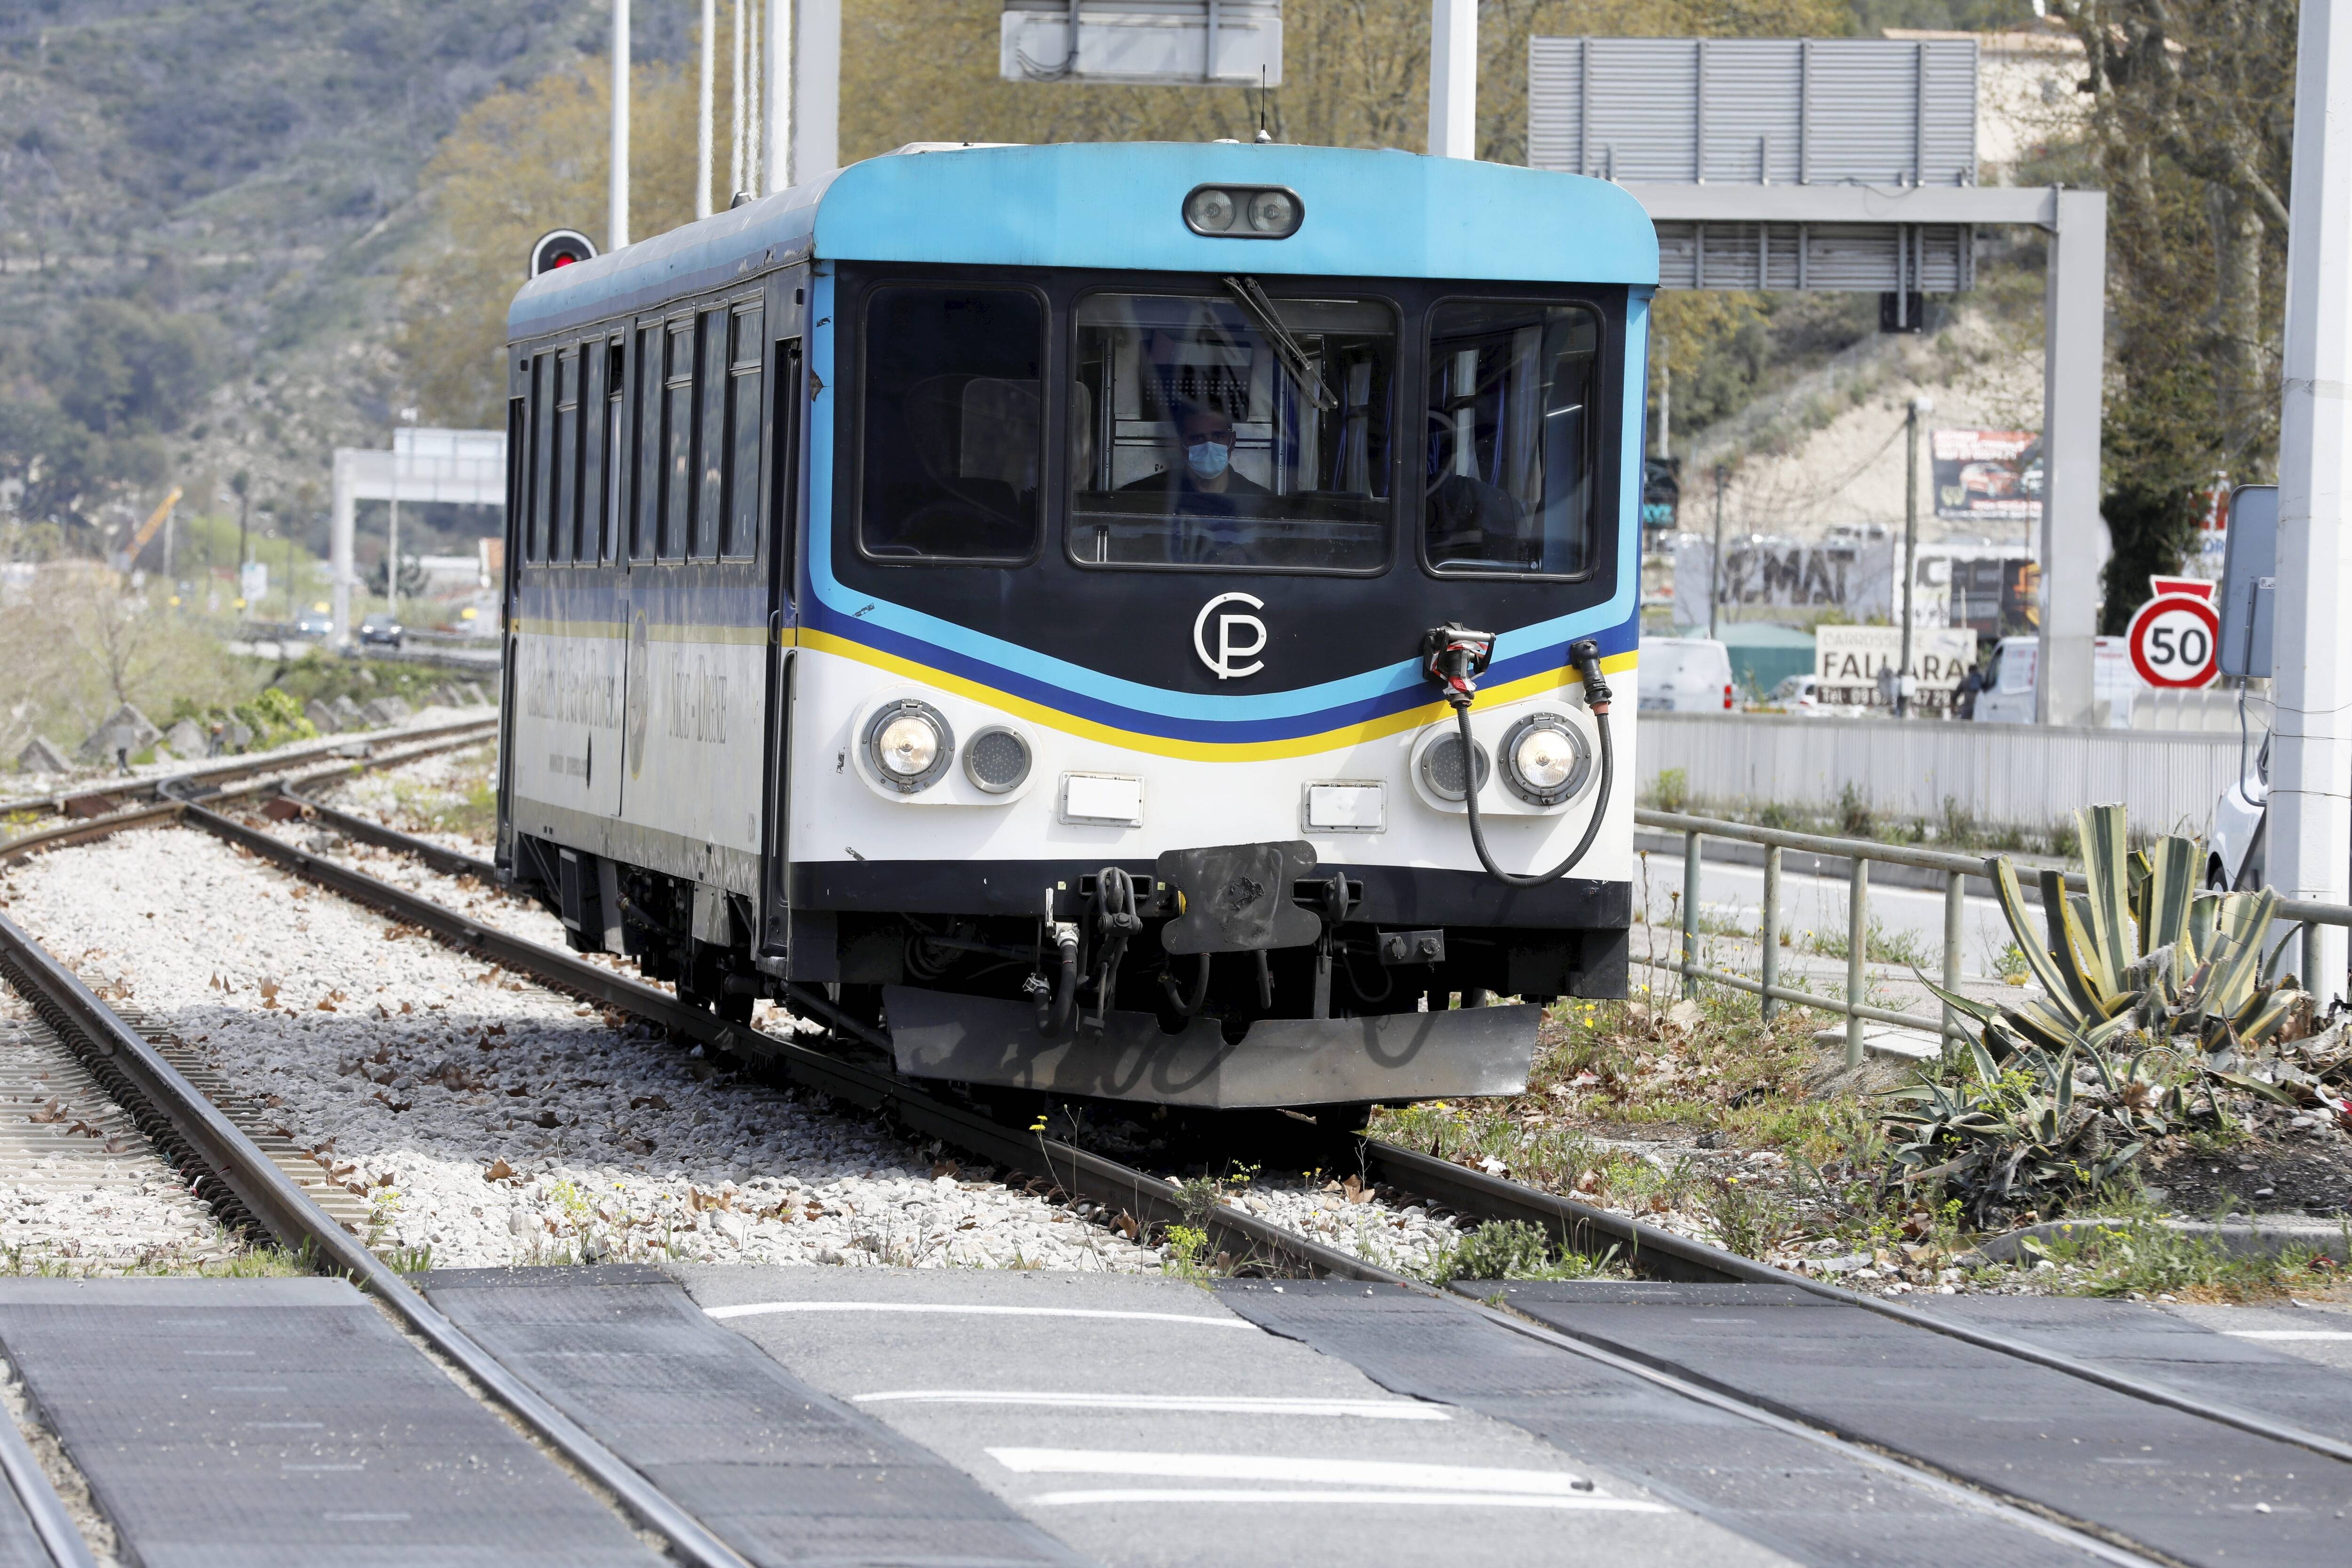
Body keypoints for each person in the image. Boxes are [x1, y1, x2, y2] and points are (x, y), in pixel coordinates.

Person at [1118, 404, 1269, 563]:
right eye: (1197, 438)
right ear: (1181, 445)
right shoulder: (1145, 497)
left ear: (1232, 442)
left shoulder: (1262, 503)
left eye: (1218, 437)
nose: (1209, 447)